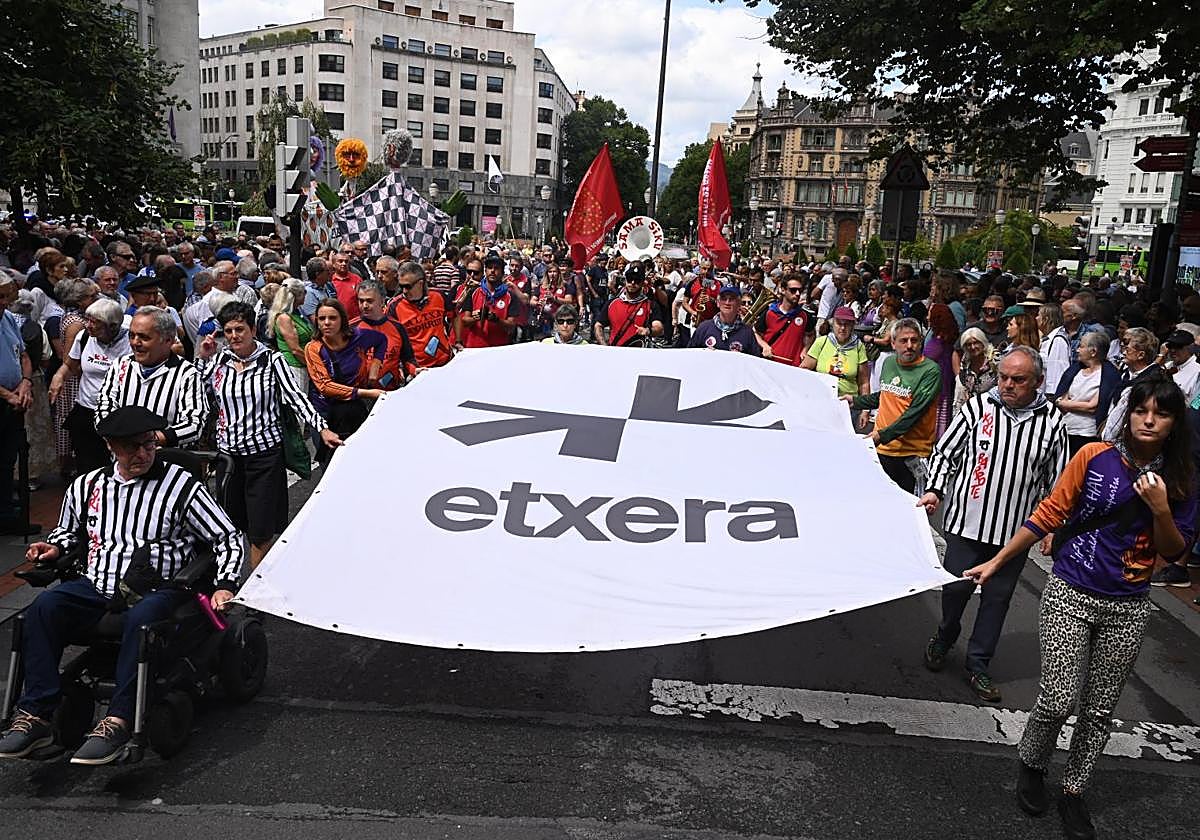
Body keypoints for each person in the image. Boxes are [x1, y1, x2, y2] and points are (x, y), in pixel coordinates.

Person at [964, 376, 1196, 840]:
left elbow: (1175, 554)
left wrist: (1161, 509)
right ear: (1127, 414)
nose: (1149, 420)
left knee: (1099, 708)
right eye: (1141, 410)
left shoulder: (1184, 478)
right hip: (1071, 591)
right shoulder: (1094, 457)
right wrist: (997, 560)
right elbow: (1049, 513)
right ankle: (1032, 764)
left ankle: (1074, 789)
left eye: (1162, 413)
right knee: (1057, 696)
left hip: (1128, 605)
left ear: (1174, 423)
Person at [0, 406, 245, 766]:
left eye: (148, 444)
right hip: (99, 584)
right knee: (43, 609)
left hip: (158, 588)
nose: (143, 454)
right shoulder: (88, 485)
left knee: (141, 619)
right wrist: (55, 548)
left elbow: (227, 538)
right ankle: (35, 713)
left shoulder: (181, 485)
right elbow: (69, 533)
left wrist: (224, 584)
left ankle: (119, 720)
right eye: (132, 447)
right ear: (111, 446)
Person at [918, 347, 1068, 703]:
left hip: (1013, 535)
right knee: (955, 590)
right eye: (1003, 377)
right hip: (967, 525)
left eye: (1018, 380)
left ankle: (978, 663)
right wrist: (936, 489)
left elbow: (1056, 480)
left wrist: (1051, 527)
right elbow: (944, 453)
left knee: (997, 601)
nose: (1007, 385)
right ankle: (945, 633)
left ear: (1038, 382)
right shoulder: (978, 408)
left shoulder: (1052, 422)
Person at [197, 302, 340, 568]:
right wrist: (203, 357)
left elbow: (296, 397)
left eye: (240, 329)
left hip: (264, 457)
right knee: (229, 523)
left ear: (253, 329)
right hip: (228, 459)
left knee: (261, 529)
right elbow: (196, 391)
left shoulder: (272, 361)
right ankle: (228, 581)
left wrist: (321, 427)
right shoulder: (219, 361)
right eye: (228, 331)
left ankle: (255, 590)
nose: (234, 336)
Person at [847, 318, 942, 493]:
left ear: (921, 342)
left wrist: (880, 436)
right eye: (903, 340)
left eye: (914, 340)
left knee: (910, 510)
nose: (909, 345)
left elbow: (914, 413)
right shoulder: (889, 363)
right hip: (883, 450)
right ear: (893, 343)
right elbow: (885, 395)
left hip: (910, 455)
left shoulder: (930, 371)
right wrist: (855, 401)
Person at [93, 307, 208, 449]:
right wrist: (113, 434)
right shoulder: (120, 365)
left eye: (144, 337)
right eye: (132, 335)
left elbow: (193, 424)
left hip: (166, 462)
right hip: (123, 459)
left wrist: (149, 440)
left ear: (168, 341)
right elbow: (104, 404)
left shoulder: (187, 374)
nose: (135, 343)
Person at [50, 298, 131, 474]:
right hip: (86, 410)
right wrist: (59, 376)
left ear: (113, 326)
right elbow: (70, 365)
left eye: (96, 323)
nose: (89, 325)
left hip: (117, 412)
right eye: (88, 320)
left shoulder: (130, 341)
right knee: (86, 465)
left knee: (115, 464)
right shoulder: (85, 337)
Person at [304, 299, 389, 458]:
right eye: (322, 319)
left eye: (332, 318)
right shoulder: (313, 348)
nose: (327, 323)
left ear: (342, 319)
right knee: (331, 460)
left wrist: (374, 369)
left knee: (363, 454)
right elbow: (325, 386)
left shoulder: (358, 337)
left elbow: (381, 340)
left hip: (354, 407)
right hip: (325, 411)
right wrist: (366, 392)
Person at [0, 274, 36, 534]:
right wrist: (7, 395)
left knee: (7, 459)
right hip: (5, 398)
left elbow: (22, 354)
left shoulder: (8, 318)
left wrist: (25, 383)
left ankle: (5, 515)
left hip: (13, 402)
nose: (4, 302)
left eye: (6, 296)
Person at [1053, 330, 1121, 457]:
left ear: (1093, 352)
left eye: (1081, 346)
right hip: (1065, 430)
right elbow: (1061, 397)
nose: (1077, 350)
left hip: (1087, 435)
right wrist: (1064, 402)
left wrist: (1065, 403)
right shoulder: (1074, 370)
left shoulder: (1108, 375)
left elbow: (1092, 406)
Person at [386, 260, 455, 369]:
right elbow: (392, 342)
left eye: (408, 286)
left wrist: (457, 340)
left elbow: (455, 316)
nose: (404, 291)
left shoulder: (438, 295)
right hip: (419, 369)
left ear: (420, 283)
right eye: (401, 286)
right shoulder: (394, 307)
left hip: (446, 362)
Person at [351, 280, 415, 389]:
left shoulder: (397, 327)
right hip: (361, 394)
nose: (364, 305)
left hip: (391, 392)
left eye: (369, 301)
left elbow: (408, 359)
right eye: (361, 301)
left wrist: (414, 370)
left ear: (382, 301)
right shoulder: (351, 329)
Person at [1102, 327, 1160, 441]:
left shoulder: (1151, 381)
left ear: (1141, 355)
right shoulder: (1126, 374)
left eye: (1128, 349)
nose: (1123, 352)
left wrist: (1108, 440)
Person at [802, 306, 868, 401]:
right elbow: (804, 369)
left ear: (853, 326)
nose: (842, 328)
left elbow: (864, 383)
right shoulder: (822, 342)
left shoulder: (859, 347)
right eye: (839, 323)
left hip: (848, 403)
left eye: (847, 324)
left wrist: (865, 409)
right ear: (833, 324)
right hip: (821, 398)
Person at [458, 254, 515, 348]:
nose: (492, 271)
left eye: (496, 268)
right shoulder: (474, 292)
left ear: (502, 272)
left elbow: (511, 326)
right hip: (475, 346)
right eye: (489, 268)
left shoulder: (510, 296)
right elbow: (464, 320)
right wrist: (476, 318)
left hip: (499, 348)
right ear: (485, 271)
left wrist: (497, 320)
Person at [688, 284, 762, 355]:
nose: (727, 302)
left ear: (739, 304)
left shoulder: (747, 333)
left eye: (732, 299)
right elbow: (690, 355)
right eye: (723, 298)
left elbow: (754, 362)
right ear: (718, 303)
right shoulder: (704, 328)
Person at [924, 302, 960, 438]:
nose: (927, 317)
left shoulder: (938, 342)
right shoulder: (946, 339)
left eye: (930, 314)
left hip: (937, 389)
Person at [600, 264, 657, 347]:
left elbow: (659, 327)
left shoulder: (650, 305)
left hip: (640, 353)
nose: (633, 283)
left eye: (637, 280)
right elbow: (598, 325)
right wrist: (604, 346)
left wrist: (649, 331)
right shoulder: (612, 303)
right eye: (630, 279)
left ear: (642, 283)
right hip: (616, 351)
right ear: (625, 281)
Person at [756, 276, 808, 366]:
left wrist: (805, 350)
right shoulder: (769, 313)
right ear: (783, 290)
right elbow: (756, 333)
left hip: (793, 366)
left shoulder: (805, 316)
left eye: (800, 290)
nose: (798, 293)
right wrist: (765, 346)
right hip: (770, 363)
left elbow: (811, 335)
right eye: (793, 290)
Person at [954, 327, 998, 415]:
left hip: (991, 412)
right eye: (968, 344)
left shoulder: (995, 362)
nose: (972, 347)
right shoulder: (965, 365)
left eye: (976, 343)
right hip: (971, 412)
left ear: (983, 342)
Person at [329, 250, 363, 320]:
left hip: (355, 320)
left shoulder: (357, 279)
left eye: (346, 261)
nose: (344, 264)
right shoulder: (329, 280)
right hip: (336, 320)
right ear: (334, 264)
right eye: (340, 261)